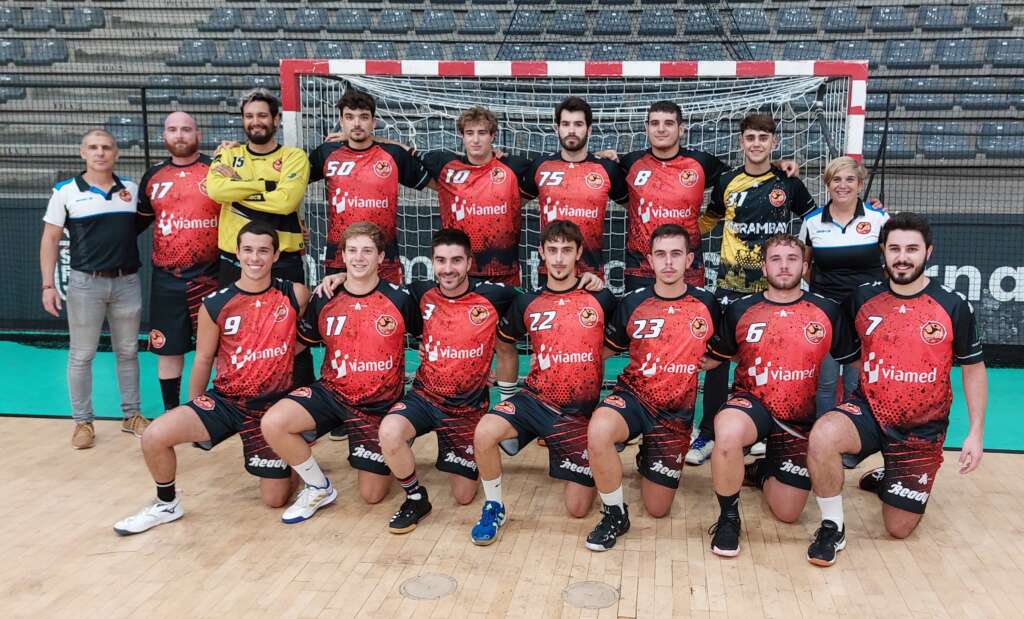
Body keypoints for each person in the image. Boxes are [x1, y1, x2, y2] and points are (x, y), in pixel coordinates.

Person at [805, 212, 987, 567]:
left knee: (898, 528)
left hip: (922, 429)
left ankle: (891, 476)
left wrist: (975, 433)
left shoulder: (953, 305)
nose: (902, 257)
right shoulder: (862, 298)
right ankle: (832, 526)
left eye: (912, 249)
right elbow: (849, 354)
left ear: (928, 252)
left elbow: (974, 369)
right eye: (895, 249)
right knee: (823, 434)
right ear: (883, 252)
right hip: (870, 411)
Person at [113, 221, 310, 535]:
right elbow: (204, 358)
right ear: (237, 253)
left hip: (271, 409)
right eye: (248, 250)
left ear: (275, 255)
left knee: (274, 499)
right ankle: (166, 504)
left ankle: (292, 469)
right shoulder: (216, 303)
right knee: (155, 436)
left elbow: (309, 336)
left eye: (263, 251)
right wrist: (193, 406)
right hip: (226, 401)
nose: (255, 258)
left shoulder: (295, 294)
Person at [702, 234, 858, 558]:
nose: (784, 266)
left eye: (792, 259)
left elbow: (856, 361)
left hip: (797, 419)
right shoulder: (741, 309)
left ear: (805, 265)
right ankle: (728, 518)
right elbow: (714, 357)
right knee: (727, 432)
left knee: (788, 513)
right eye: (776, 259)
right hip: (751, 405)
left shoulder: (827, 310)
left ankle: (760, 470)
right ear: (764, 267)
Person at [260, 222, 421, 524]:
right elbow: (301, 342)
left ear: (381, 257)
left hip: (378, 406)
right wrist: (263, 361)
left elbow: (429, 338)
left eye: (367, 251)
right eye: (353, 251)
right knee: (273, 422)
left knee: (372, 495)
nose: (359, 258)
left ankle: (395, 440)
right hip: (332, 393)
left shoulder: (399, 298)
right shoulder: (325, 296)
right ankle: (318, 487)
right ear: (343, 256)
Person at [470, 220, 616, 546]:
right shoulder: (528, 302)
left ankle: (599, 452)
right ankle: (494, 506)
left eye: (566, 250)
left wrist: (591, 357)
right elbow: (504, 343)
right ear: (541, 253)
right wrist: (506, 395)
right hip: (534, 401)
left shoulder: (600, 297)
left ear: (579, 252)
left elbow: (624, 338)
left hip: (576, 414)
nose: (559, 259)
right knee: (484, 432)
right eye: (553, 250)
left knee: (578, 509)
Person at [688, 113, 816, 466]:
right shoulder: (727, 180)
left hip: (774, 291)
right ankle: (709, 433)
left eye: (763, 137)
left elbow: (815, 221)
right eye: (750, 137)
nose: (756, 144)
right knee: (717, 360)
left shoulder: (788, 183)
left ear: (774, 142)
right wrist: (678, 229)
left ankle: (764, 431)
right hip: (731, 285)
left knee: (770, 360)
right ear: (741, 142)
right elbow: (709, 219)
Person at [584, 224, 720, 551]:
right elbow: (604, 350)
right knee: (599, 430)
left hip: (675, 414)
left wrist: (711, 360)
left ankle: (649, 455)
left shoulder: (707, 303)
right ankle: (614, 514)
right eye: (661, 254)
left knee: (658, 509)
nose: (668, 262)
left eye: (676, 254)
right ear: (650, 260)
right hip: (633, 397)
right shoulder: (633, 302)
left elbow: (728, 349)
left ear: (689, 260)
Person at [377, 228, 517, 533]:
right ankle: (415, 498)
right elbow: (372, 290)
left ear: (469, 262)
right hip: (425, 397)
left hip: (466, 409)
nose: (448, 268)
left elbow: (542, 303)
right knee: (389, 432)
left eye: (456, 260)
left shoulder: (495, 295)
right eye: (440, 260)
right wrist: (338, 278)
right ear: (432, 262)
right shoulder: (419, 293)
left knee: (464, 496)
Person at [40, 128, 148, 450]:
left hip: (127, 282)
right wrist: (47, 285)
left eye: (106, 147)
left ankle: (132, 416)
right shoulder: (65, 191)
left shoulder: (130, 189)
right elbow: (50, 238)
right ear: (82, 153)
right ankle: (83, 422)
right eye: (93, 147)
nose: (100, 152)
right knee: (82, 354)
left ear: (116, 153)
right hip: (85, 284)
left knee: (128, 351)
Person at [206, 89, 313, 386]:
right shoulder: (229, 154)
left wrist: (238, 187)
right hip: (235, 261)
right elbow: (216, 190)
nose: (256, 121)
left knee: (290, 332)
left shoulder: (294, 157)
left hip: (283, 262)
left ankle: (301, 402)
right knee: (235, 334)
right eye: (249, 116)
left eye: (263, 115)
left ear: (276, 119)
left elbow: (285, 202)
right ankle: (236, 396)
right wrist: (266, 185)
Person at [137, 112, 221, 412]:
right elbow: (136, 223)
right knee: (169, 350)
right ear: (164, 136)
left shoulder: (216, 170)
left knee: (218, 349)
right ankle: (172, 413)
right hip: (167, 279)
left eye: (186, 129)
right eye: (172, 129)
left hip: (212, 275)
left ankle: (219, 411)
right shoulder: (153, 176)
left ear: (198, 134)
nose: (180, 135)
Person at [307, 88, 431, 285]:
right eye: (350, 117)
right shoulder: (326, 153)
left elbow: (442, 184)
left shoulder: (393, 155)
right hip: (339, 257)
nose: (356, 123)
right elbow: (293, 185)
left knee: (386, 305)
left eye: (363, 117)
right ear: (341, 122)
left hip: (385, 258)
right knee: (339, 304)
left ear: (374, 122)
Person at [799, 156, 889, 415]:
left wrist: (873, 291)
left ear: (860, 184)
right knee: (826, 383)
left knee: (855, 383)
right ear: (827, 184)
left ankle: (854, 432)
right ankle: (823, 433)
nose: (842, 185)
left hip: (866, 315)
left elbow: (893, 262)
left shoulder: (878, 218)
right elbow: (803, 265)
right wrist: (823, 289)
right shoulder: (812, 221)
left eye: (850, 179)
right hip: (827, 314)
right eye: (836, 179)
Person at [519, 96, 629, 284]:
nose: (571, 130)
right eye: (565, 124)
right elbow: (512, 204)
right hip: (550, 273)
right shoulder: (541, 166)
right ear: (557, 128)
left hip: (592, 274)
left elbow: (635, 207)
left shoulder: (607, 169)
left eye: (578, 124)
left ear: (589, 129)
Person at [420, 106, 532, 287]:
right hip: (461, 275)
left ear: (493, 136)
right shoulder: (446, 166)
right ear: (462, 136)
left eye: (482, 133)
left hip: (505, 274)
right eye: (470, 133)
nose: (476, 140)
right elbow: (403, 154)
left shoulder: (514, 166)